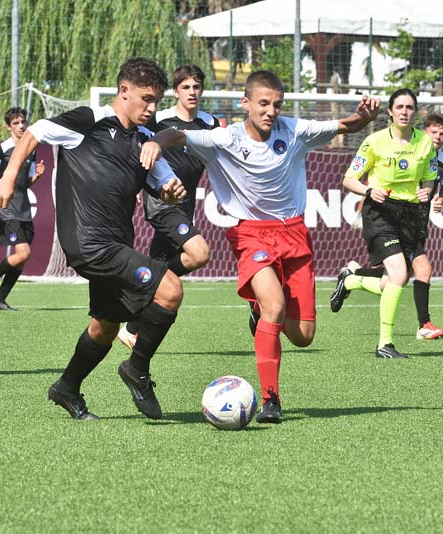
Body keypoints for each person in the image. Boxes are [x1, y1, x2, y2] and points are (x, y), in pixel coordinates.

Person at [142, 70, 380, 424]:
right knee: (275, 305)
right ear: (246, 103)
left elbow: (346, 125)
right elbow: (178, 134)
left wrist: (365, 116)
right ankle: (271, 400)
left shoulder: (295, 130)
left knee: (303, 336)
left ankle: (259, 312)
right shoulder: (225, 138)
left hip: (294, 234)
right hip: (252, 234)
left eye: (277, 105)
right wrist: (156, 143)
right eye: (264, 104)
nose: (270, 111)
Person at [0, 57, 185, 421]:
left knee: (105, 327)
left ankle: (66, 387)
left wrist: (171, 191)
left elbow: (167, 183)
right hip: (89, 244)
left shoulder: (144, 140)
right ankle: (137, 370)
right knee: (171, 289)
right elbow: (34, 133)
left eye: (157, 101)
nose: (151, 108)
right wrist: (8, 176)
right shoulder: (89, 121)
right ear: (124, 91)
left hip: (118, 245)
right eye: (146, 98)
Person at [329, 88, 437, 359]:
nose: (404, 112)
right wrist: (368, 191)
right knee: (399, 274)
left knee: (394, 280)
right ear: (389, 111)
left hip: (411, 214)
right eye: (399, 107)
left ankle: (350, 281)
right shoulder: (374, 141)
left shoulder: (425, 143)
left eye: (409, 107)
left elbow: (430, 176)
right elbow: (349, 179)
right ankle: (384, 345)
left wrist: (426, 191)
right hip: (380, 211)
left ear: (415, 112)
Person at [116, 64, 216, 350]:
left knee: (161, 266)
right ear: (175, 91)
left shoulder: (210, 123)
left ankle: (132, 327)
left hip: (186, 203)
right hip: (162, 203)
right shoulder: (159, 121)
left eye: (196, 86)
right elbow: (140, 149)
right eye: (186, 87)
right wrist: (139, 185)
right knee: (198, 254)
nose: (192, 92)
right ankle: (145, 288)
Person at [342, 112, 443, 340]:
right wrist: (366, 201)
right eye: (434, 132)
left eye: (442, 134)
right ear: (424, 131)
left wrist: (440, 198)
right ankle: (423, 325)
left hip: (417, 222)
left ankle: (352, 277)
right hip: (395, 219)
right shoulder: (407, 151)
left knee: (395, 279)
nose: (438, 137)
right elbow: (380, 181)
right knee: (421, 270)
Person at [0, 107, 45, 311]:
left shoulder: (31, 149)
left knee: (22, 259)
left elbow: (25, 184)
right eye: (16, 123)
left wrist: (37, 176)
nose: (21, 126)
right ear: (8, 127)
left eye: (23, 122)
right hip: (6, 208)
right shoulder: (2, 149)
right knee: (23, 253)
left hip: (24, 209)